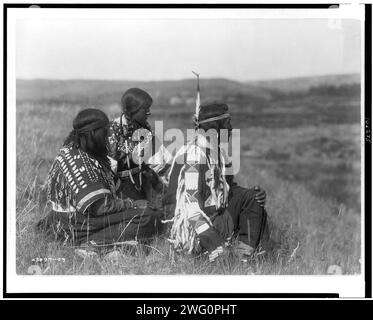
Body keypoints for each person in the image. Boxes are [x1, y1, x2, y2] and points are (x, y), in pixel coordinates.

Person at [38, 108, 163, 246]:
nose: (108, 137)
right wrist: (133, 205)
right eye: (105, 133)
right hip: (76, 223)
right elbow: (100, 207)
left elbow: (117, 187)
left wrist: (142, 200)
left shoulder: (85, 153)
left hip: (75, 219)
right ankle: (93, 243)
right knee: (148, 218)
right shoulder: (80, 161)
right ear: (93, 133)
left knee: (150, 213)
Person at [163, 103, 271, 262]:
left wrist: (253, 195)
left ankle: (245, 256)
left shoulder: (216, 151)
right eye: (228, 124)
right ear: (215, 128)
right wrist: (215, 244)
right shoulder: (193, 157)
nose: (232, 128)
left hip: (213, 214)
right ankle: (215, 254)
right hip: (191, 228)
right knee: (220, 253)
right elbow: (190, 210)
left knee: (252, 198)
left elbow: (228, 188)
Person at [107, 88, 171, 209]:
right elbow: (109, 170)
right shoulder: (113, 130)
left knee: (165, 204)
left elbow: (159, 158)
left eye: (149, 109)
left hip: (143, 179)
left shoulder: (145, 127)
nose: (149, 113)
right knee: (142, 213)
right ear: (132, 111)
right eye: (145, 109)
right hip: (120, 186)